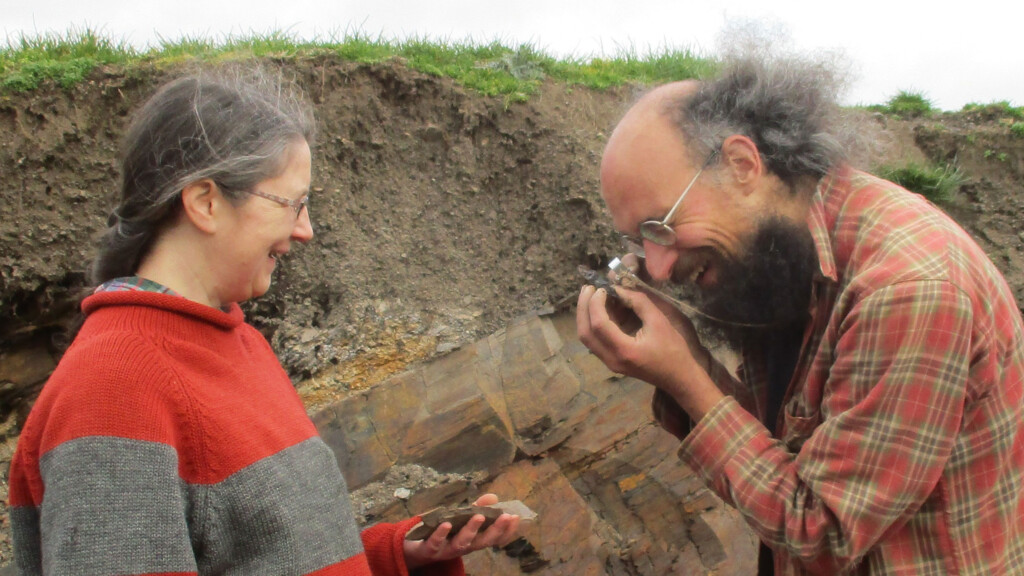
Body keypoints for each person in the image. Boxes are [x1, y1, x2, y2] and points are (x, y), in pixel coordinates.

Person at [7, 70, 519, 575]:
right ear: (206, 202)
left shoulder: (240, 343)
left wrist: (395, 555)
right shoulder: (111, 391)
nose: (306, 231)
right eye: (291, 204)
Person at [577, 57, 1024, 575]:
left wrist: (686, 382)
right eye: (637, 240)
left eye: (660, 226)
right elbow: (784, 457)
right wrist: (692, 361)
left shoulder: (906, 289)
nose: (657, 266)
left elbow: (822, 533)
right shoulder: (780, 256)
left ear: (742, 165)